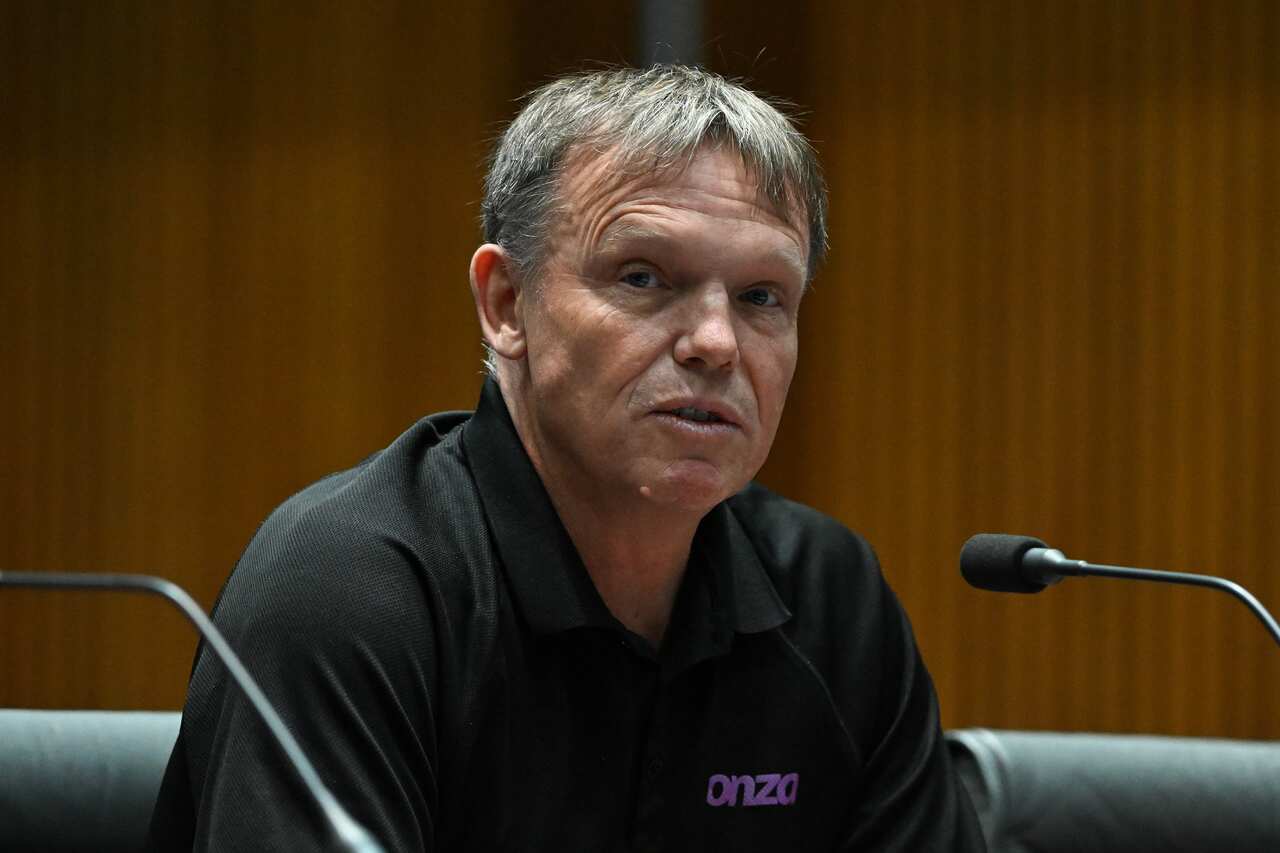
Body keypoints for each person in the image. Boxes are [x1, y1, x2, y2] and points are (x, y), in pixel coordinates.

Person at [147, 65, 985, 852]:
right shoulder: (349, 587)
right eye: (644, 277)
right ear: (506, 304)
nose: (717, 343)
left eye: (763, 296)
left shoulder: (832, 599)